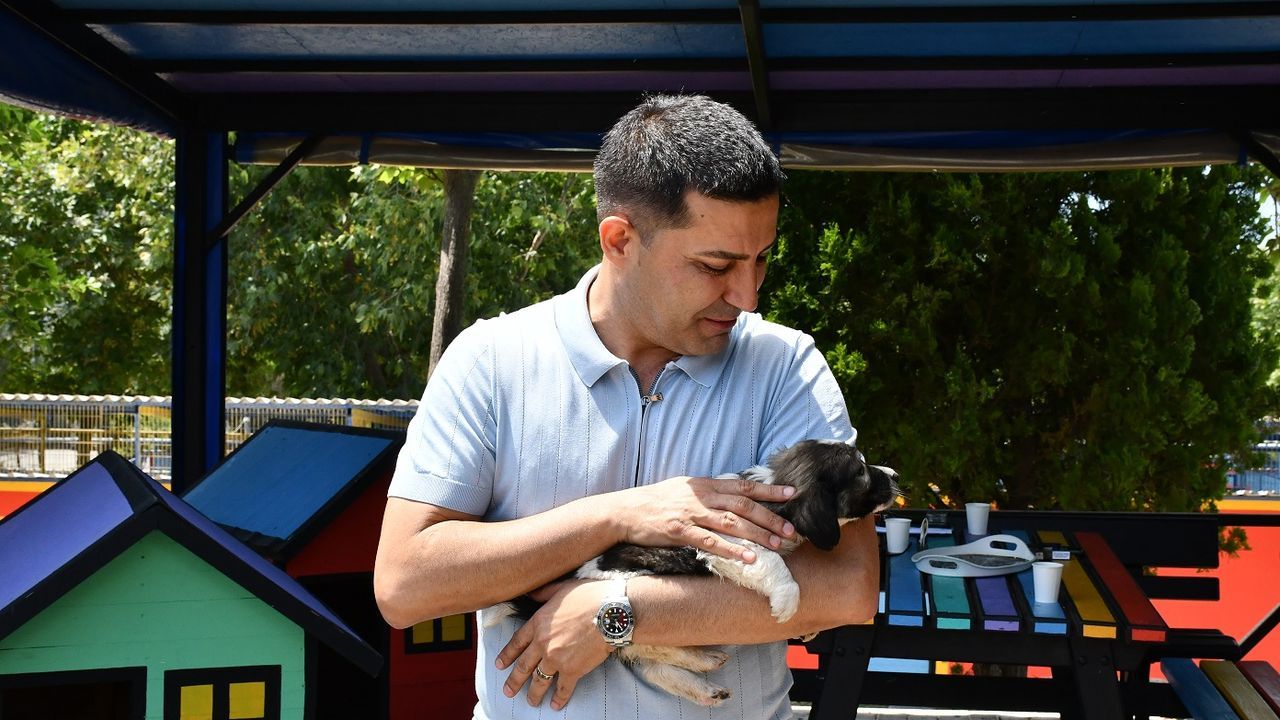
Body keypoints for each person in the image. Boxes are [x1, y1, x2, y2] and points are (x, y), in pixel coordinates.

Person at [374, 94, 880, 720]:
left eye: (761, 259)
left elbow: (847, 589)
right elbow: (404, 584)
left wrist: (617, 612)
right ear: (619, 240)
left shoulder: (786, 366)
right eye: (715, 265)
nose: (748, 296)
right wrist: (618, 516)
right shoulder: (490, 361)